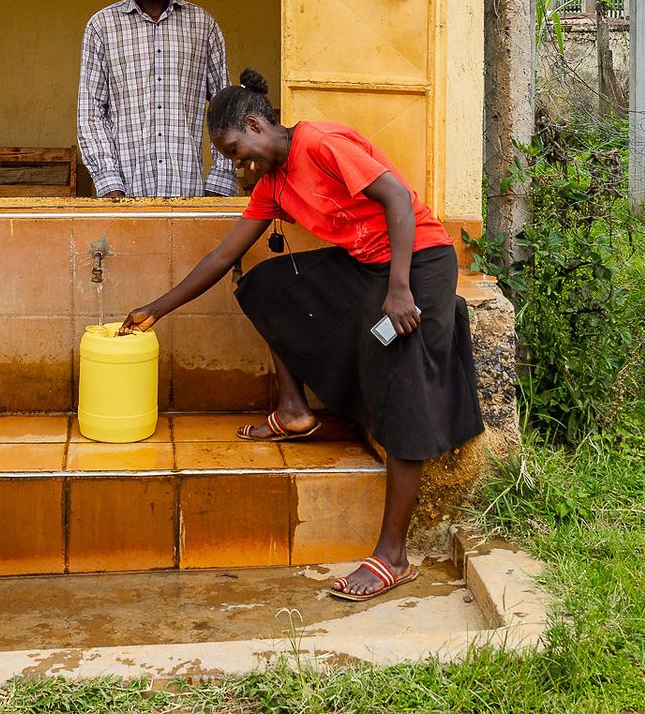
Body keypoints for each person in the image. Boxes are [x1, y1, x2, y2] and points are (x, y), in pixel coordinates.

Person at [122, 71, 483, 603]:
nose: (237, 165)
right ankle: (294, 412)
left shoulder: (320, 142)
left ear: (253, 124)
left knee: (406, 388)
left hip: (419, 264)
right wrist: (155, 310)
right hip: (368, 268)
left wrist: (402, 290)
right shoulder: (274, 184)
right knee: (266, 285)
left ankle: (392, 556)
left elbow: (399, 201)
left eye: (236, 151)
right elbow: (223, 257)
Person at [76, 0, 237, 199]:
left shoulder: (202, 25)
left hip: (189, 193)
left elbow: (226, 109)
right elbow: (90, 113)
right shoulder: (102, 27)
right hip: (123, 193)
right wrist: (109, 182)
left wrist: (220, 180)